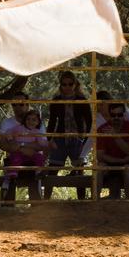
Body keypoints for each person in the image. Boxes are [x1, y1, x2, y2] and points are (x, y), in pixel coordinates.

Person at [45, 71, 92, 199]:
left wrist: (85, 140)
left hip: (77, 138)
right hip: (60, 138)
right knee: (53, 169)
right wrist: (49, 139)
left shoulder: (82, 100)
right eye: (64, 84)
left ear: (75, 84)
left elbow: (89, 122)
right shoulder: (56, 100)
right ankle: (45, 202)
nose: (67, 87)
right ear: (60, 85)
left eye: (70, 84)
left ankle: (82, 201)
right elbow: (52, 121)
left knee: (79, 171)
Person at [95, 102, 129, 199]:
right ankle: (94, 201)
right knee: (99, 168)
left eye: (119, 115)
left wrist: (115, 136)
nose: (116, 117)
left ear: (124, 115)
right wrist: (122, 161)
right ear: (109, 115)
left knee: (127, 169)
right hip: (112, 163)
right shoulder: (102, 129)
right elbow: (100, 156)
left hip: (127, 164)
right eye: (113, 115)